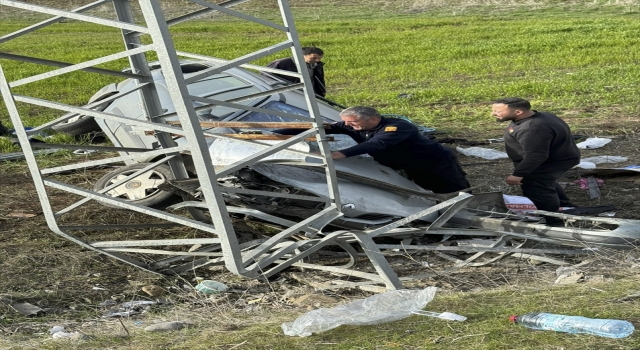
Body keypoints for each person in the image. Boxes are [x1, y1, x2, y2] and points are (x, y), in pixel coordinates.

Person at [275, 106, 470, 194]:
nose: (349, 126)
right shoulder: (351, 125)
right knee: (421, 190)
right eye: (347, 123)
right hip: (405, 165)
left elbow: (376, 145)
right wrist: (278, 133)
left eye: (353, 122)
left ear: (373, 120)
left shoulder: (397, 127)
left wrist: (339, 154)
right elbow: (318, 127)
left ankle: (469, 210)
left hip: (434, 162)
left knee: (450, 189)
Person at [491, 97, 580, 223]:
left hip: (547, 163)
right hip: (557, 157)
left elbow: (536, 156)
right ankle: (565, 206)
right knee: (545, 182)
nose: (493, 114)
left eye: (497, 111)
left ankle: (553, 220)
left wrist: (518, 174)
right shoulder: (540, 116)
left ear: (518, 112)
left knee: (537, 189)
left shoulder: (531, 128)